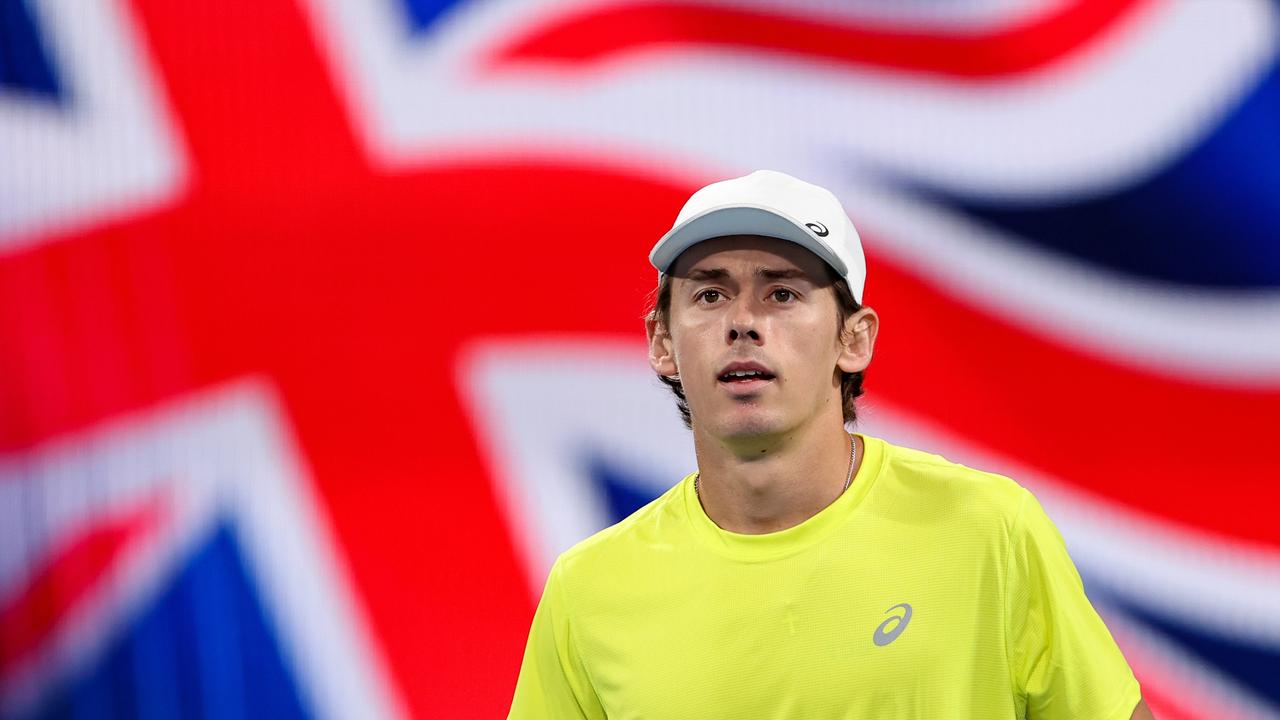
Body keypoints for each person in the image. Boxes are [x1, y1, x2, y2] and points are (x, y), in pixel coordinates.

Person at [508, 169, 1155, 719]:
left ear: (855, 339)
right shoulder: (588, 589)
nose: (743, 323)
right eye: (710, 294)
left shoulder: (989, 530)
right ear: (662, 343)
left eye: (783, 293)